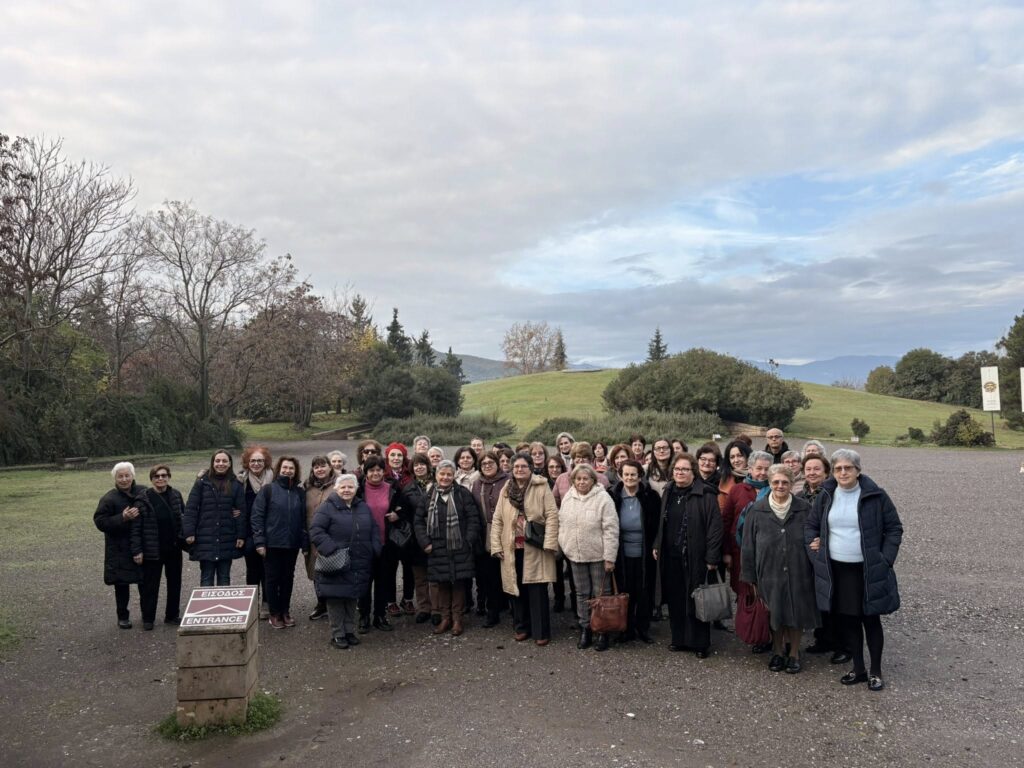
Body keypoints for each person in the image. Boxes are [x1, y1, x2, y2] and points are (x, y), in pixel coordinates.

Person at [806, 449, 903, 692]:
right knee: (849, 620)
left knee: (871, 619)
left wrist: (886, 559)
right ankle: (858, 669)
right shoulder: (826, 495)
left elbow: (894, 528)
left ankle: (876, 671)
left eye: (848, 468)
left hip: (867, 569)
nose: (843, 472)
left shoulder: (876, 495)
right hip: (838, 569)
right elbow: (811, 526)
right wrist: (816, 553)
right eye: (838, 468)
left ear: (858, 470)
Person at [741, 465, 819, 674]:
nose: (780, 485)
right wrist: (750, 577)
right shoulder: (756, 509)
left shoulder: (804, 508)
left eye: (785, 482)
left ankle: (794, 653)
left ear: (792, 484)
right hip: (769, 570)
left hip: (799, 570)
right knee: (774, 612)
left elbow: (815, 535)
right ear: (769, 483)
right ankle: (777, 651)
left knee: (796, 612)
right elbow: (748, 545)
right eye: (776, 482)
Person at [652, 454, 723, 657]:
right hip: (671, 555)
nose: (680, 473)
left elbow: (715, 528)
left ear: (693, 472)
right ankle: (679, 639)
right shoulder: (669, 491)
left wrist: (712, 558)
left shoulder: (705, 494)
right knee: (675, 599)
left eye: (685, 469)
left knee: (696, 599)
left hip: (696, 556)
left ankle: (700, 643)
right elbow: (662, 522)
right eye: (677, 469)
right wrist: (657, 543)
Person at [491, 454, 559, 646]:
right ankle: (521, 627)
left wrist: (550, 543)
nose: (519, 470)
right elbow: (498, 519)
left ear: (530, 468)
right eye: (516, 467)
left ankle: (541, 632)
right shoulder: (507, 488)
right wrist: (496, 545)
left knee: (537, 589)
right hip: (512, 547)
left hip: (536, 546)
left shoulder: (541, 486)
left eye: (523, 466)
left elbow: (552, 515)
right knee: (516, 589)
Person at [309, 474, 382, 650]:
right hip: (336, 561)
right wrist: (332, 549)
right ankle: (338, 634)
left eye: (350, 487)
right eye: (343, 487)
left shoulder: (362, 507)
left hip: (358, 561)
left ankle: (349, 631)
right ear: (336, 489)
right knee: (335, 599)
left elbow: (373, 528)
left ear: (356, 489)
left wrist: (375, 548)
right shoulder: (327, 507)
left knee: (351, 597)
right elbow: (316, 530)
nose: (347, 490)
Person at [413, 460, 481, 636]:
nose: (445, 477)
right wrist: (425, 543)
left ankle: (457, 619)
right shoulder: (428, 496)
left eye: (449, 474)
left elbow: (473, 519)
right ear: (436, 475)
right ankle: (445, 618)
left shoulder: (462, 494)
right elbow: (418, 521)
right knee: (442, 583)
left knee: (458, 583)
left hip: (459, 546)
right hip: (436, 548)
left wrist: (468, 541)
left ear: (454, 476)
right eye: (442, 474)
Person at [558, 464, 619, 652]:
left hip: (598, 555)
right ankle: (585, 628)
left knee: (601, 595)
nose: (582, 482)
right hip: (575, 555)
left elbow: (611, 529)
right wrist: (565, 544)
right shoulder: (568, 497)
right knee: (582, 593)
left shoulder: (603, 498)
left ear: (593, 480)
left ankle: (602, 631)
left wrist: (610, 557)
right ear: (573, 481)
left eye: (586, 478)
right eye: (578, 479)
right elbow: (562, 523)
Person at [721, 450, 774, 652]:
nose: (762, 473)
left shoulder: (776, 488)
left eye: (767, 469)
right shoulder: (737, 490)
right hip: (741, 552)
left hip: (768, 554)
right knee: (746, 592)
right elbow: (727, 521)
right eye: (758, 468)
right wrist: (726, 552)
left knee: (767, 593)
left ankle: (769, 635)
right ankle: (752, 630)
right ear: (749, 468)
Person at [251, 456, 308, 629]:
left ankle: (285, 611)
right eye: (285, 468)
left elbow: (304, 520)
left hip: (291, 544)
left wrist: (304, 543)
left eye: (291, 468)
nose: (287, 471)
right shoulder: (268, 490)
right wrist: (259, 542)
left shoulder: (299, 493)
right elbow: (257, 516)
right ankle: (274, 613)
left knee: (287, 578)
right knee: (272, 578)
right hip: (272, 543)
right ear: (279, 469)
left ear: (295, 471)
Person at [799, 454, 844, 662]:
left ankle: (843, 644)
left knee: (837, 601)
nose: (812, 473)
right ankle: (823, 638)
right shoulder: (799, 496)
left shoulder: (835, 494)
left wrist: (823, 540)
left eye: (817, 469)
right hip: (808, 553)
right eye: (808, 469)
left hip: (832, 553)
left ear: (826, 472)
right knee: (818, 599)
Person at [609, 460, 659, 644]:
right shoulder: (612, 496)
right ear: (620, 475)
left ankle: (643, 628)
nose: (629, 478)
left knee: (644, 592)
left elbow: (658, 525)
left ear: (640, 476)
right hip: (621, 554)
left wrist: (656, 545)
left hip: (645, 554)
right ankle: (626, 629)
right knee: (625, 592)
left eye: (633, 474)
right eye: (626, 474)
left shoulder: (650, 496)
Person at [357, 455, 408, 633]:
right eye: (371, 470)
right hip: (364, 544)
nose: (375, 473)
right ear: (366, 472)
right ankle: (364, 617)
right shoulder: (358, 490)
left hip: (387, 543)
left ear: (383, 471)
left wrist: (397, 515)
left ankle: (380, 615)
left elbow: (405, 509)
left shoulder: (393, 488)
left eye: (379, 470)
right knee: (364, 582)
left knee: (383, 581)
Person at [183, 450, 246, 587]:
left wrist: (241, 535)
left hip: (226, 537)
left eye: (224, 461)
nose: (220, 464)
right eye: (217, 461)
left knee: (224, 577)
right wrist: (189, 532)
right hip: (205, 537)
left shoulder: (236, 484)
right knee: (206, 577)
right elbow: (191, 508)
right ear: (212, 463)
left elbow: (241, 511)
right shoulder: (202, 483)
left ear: (229, 464)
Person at [94, 462, 144, 628]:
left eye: (127, 475)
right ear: (115, 479)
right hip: (118, 548)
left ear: (133, 476)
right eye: (120, 476)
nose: (124, 479)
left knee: (145, 582)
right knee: (122, 585)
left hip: (141, 545)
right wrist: (122, 518)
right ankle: (122, 616)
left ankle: (147, 614)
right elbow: (100, 522)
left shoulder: (143, 492)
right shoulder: (109, 498)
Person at [135, 464, 185, 628]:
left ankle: (172, 615)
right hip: (152, 549)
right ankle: (148, 618)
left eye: (164, 475)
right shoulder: (143, 499)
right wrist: (137, 550)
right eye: (156, 476)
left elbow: (183, 518)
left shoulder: (176, 495)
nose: (160, 478)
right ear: (151, 479)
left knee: (175, 583)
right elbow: (136, 528)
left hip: (173, 548)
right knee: (150, 586)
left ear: (169, 477)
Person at [471, 451, 509, 627]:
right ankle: (492, 611)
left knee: (508, 572)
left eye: (490, 462)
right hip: (484, 534)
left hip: (506, 532)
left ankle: (512, 608)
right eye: (484, 463)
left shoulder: (508, 480)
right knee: (489, 575)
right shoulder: (476, 483)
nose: (487, 465)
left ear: (497, 464)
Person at [238, 445, 273, 617]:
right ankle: (252, 603)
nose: (256, 464)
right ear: (247, 462)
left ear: (265, 462)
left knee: (268, 568)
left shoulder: (274, 479)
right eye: (253, 461)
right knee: (252, 569)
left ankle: (266, 602)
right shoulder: (241, 481)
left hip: (270, 530)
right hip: (249, 531)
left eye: (260, 460)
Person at [401, 453, 435, 623]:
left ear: (428, 466)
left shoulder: (438, 484)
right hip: (415, 539)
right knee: (420, 577)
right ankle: (424, 607)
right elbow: (405, 514)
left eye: (422, 464)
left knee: (436, 575)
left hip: (436, 536)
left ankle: (437, 608)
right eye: (416, 465)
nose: (419, 467)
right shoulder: (408, 489)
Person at [303, 456, 337, 620]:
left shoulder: (338, 485)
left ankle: (335, 604)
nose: (320, 469)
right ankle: (321, 603)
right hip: (312, 537)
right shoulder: (307, 487)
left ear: (330, 467)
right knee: (316, 571)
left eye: (323, 466)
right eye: (316, 467)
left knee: (333, 569)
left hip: (332, 536)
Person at [717, 439, 752, 511]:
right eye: (732, 457)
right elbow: (722, 510)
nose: (736, 460)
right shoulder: (724, 479)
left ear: (748, 456)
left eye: (740, 456)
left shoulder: (757, 476)